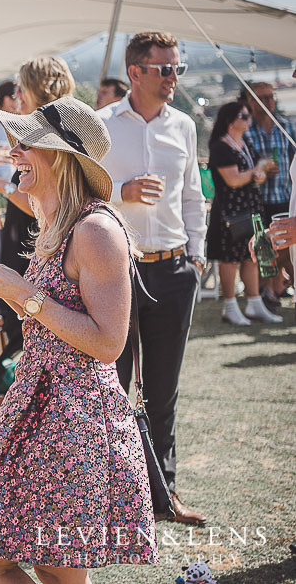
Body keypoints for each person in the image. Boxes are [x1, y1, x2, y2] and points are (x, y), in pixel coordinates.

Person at [0, 95, 156, 582]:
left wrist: (23, 293)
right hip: (36, 402)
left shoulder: (97, 230)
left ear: (60, 158)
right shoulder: (56, 225)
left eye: (25, 145)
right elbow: (47, 318)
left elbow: (109, 343)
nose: (12, 151)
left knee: (54, 567)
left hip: (75, 412)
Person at [99, 30, 208, 525]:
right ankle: (112, 500)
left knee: (162, 391)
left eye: (177, 69)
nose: (172, 78)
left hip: (173, 270)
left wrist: (198, 258)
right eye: (164, 69)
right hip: (113, 273)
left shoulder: (184, 126)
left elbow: (192, 197)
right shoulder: (100, 125)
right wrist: (122, 190)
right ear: (135, 72)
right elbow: (82, 194)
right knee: (110, 387)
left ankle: (162, 497)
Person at [0, 57, 75, 356]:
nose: (17, 96)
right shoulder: (44, 130)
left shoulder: (55, 135)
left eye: (20, 88)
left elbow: (48, 205)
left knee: (30, 335)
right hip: (30, 241)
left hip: (37, 247)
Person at [205, 101, 281, 324]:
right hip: (231, 211)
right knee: (230, 260)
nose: (248, 120)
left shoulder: (245, 143)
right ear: (231, 120)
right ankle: (230, 305)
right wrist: (257, 171)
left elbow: (256, 174)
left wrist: (260, 172)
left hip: (251, 207)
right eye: (244, 116)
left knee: (251, 256)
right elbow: (234, 179)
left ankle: (254, 303)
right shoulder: (220, 146)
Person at [242, 81, 295, 309]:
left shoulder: (287, 126)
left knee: (284, 247)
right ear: (251, 102)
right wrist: (260, 169)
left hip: (284, 195)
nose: (269, 102)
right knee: (264, 249)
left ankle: (278, 287)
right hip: (259, 200)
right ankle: (267, 291)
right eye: (263, 98)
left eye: (271, 97)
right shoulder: (245, 130)